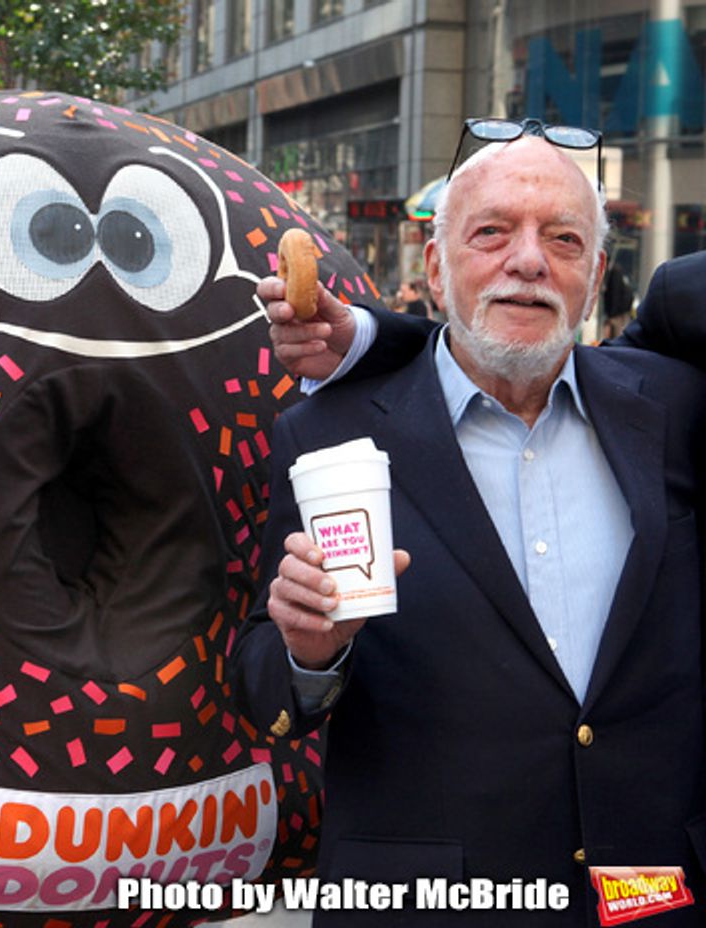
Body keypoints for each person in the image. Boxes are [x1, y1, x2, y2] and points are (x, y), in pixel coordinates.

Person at [234, 132, 706, 925]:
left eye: (564, 240)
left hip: (653, 894)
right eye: (491, 233)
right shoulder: (328, 435)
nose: (529, 261)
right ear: (435, 268)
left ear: (595, 276)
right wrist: (310, 652)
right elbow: (263, 689)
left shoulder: (675, 408)